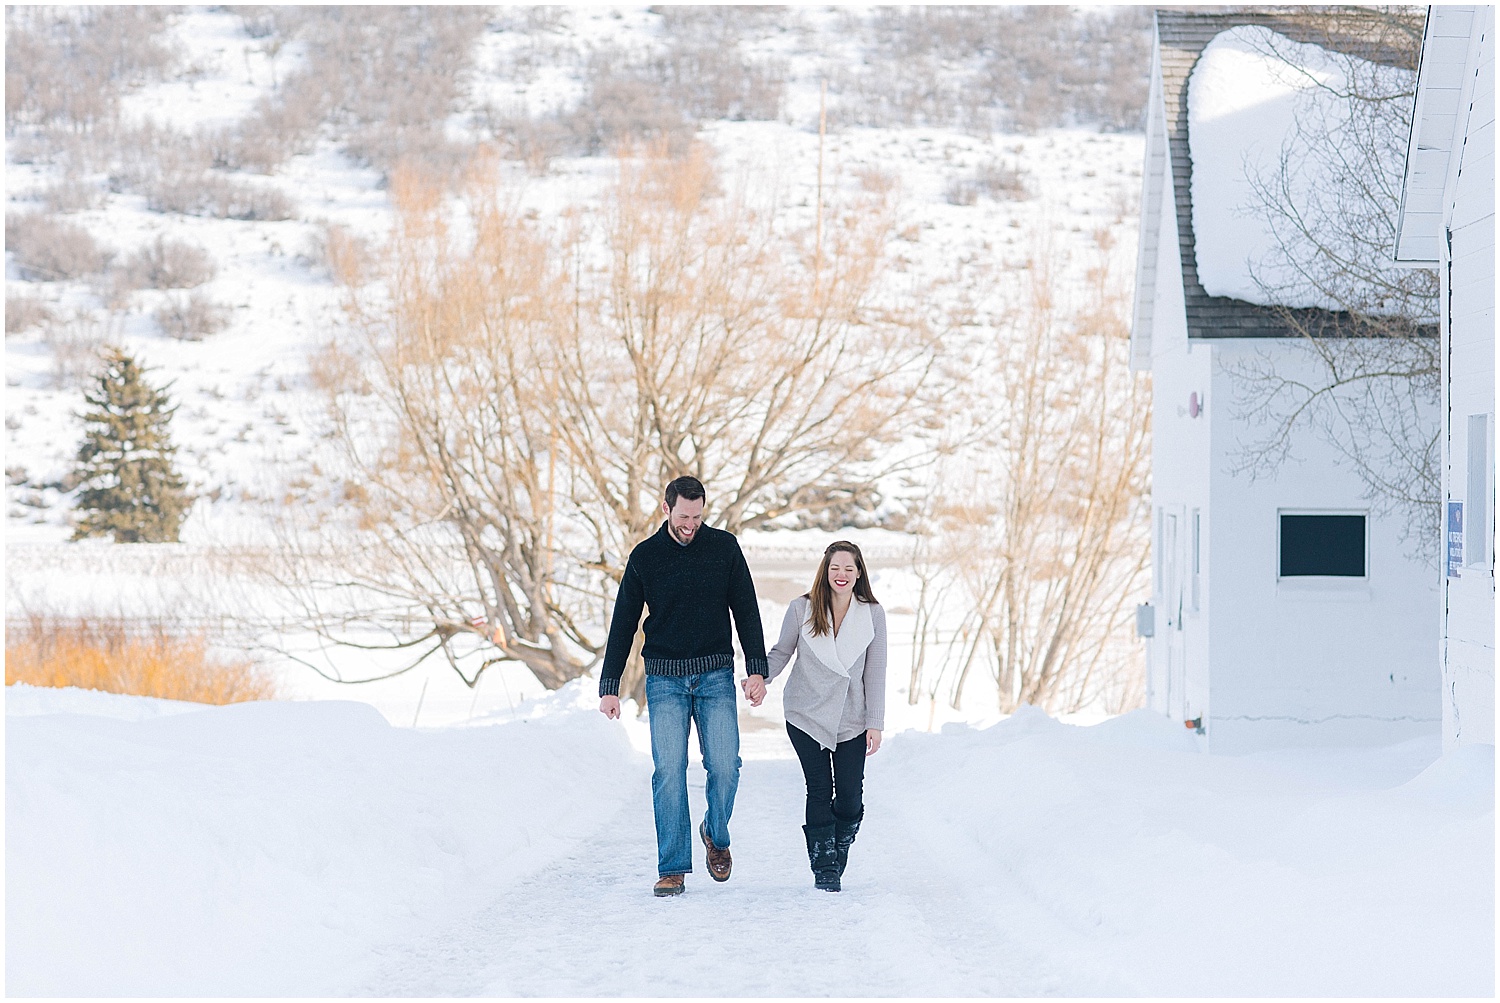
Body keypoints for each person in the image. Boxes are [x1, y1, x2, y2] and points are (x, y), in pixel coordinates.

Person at [598, 475, 768, 897]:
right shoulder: (645, 557)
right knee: (669, 771)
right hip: (664, 679)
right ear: (666, 509)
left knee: (726, 767)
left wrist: (757, 669)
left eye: (697, 515)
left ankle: (714, 831)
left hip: (715, 676)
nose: (690, 524)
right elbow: (623, 623)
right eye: (683, 515)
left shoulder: (724, 549)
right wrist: (610, 684)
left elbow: (746, 610)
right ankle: (672, 866)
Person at [744, 540, 885, 892]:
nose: (842, 575)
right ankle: (824, 866)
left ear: (858, 574)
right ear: (825, 571)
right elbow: (781, 652)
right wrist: (761, 677)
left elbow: (876, 670)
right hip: (805, 711)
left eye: (849, 569)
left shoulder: (872, 614)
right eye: (835, 567)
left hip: (851, 717)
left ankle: (839, 844)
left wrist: (875, 722)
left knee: (850, 795)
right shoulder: (801, 609)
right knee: (819, 788)